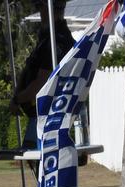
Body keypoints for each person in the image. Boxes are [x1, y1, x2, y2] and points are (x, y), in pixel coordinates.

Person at [9, 0, 76, 149]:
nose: (39, 11)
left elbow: (41, 84)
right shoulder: (47, 38)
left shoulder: (56, 41)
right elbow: (30, 70)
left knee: (42, 165)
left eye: (39, 6)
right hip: (41, 118)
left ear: (48, 8)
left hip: (48, 120)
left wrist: (17, 99)